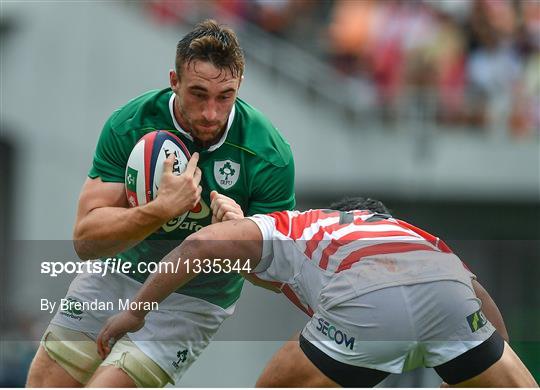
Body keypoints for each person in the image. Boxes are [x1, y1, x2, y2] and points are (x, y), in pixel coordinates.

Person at [26, 19, 295, 388]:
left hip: (193, 300)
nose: (211, 113)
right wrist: (161, 209)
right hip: (116, 276)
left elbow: (280, 277)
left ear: (240, 87)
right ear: (174, 81)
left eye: (225, 96)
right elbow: (86, 241)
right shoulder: (131, 125)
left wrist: (243, 236)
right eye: (198, 93)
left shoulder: (268, 154)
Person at [96, 197, 538, 387]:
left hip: (366, 296)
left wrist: (136, 312)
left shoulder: (298, 224)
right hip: (448, 289)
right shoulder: (411, 233)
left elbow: (201, 246)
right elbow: (483, 307)